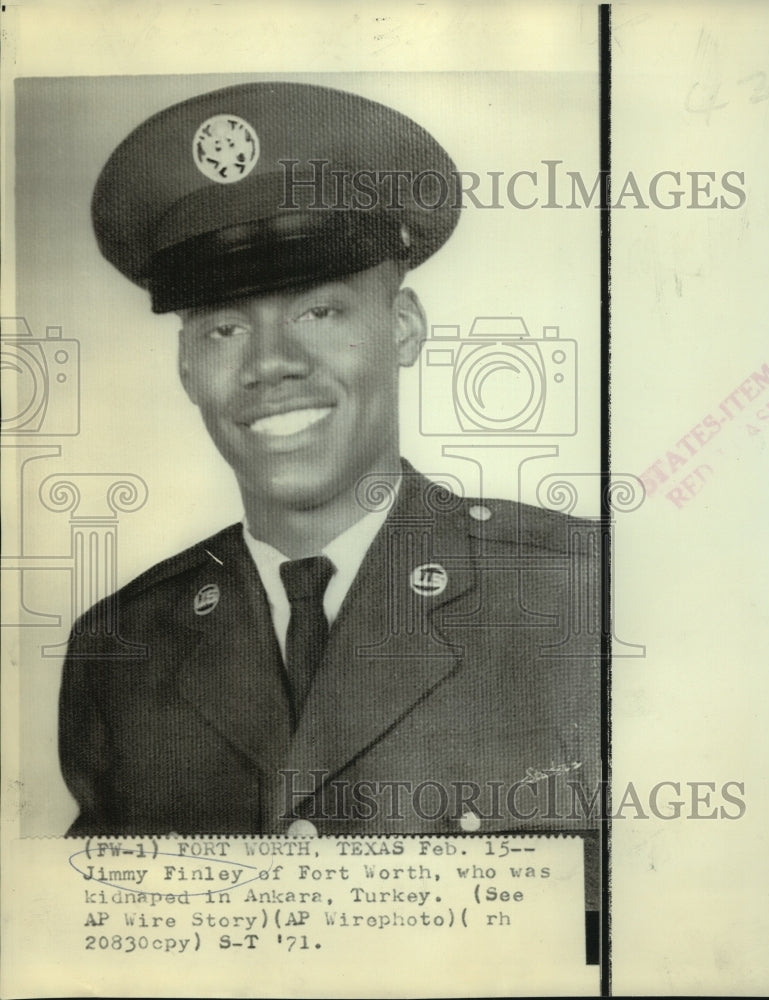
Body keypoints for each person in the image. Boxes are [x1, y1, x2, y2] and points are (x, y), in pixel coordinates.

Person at [58, 81, 601, 840]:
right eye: (222, 329)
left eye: (319, 310)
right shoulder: (121, 647)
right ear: (185, 366)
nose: (270, 364)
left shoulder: (579, 590)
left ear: (403, 328)